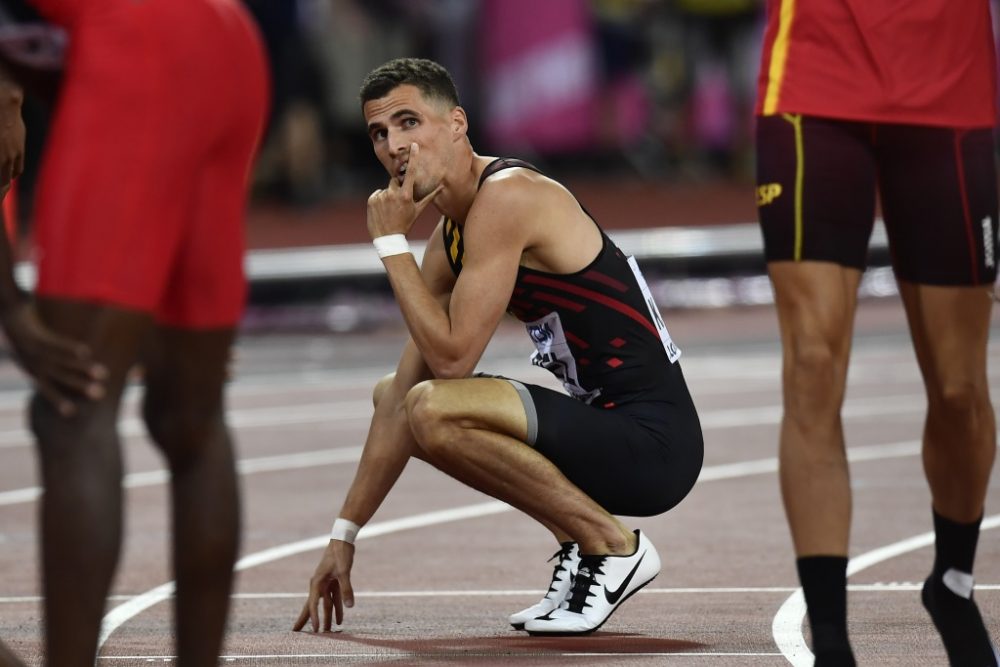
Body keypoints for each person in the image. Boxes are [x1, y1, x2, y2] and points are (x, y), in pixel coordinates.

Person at [294, 57, 703, 637]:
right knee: (400, 395)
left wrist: (390, 244)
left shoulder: (508, 196)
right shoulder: (450, 235)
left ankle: (611, 546)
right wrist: (344, 535)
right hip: (601, 431)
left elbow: (453, 361)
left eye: (409, 122)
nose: (393, 146)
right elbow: (401, 394)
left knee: (435, 407)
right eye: (379, 133)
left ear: (457, 123)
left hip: (655, 443)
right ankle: (587, 545)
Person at [0, 1, 269, 665]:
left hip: (137, 44)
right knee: (189, 415)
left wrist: (10, 306)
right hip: (227, 38)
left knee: (73, 406)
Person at [755, 2, 999, 665]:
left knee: (958, 387)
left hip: (950, 84)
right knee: (811, 361)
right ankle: (831, 638)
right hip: (813, 78)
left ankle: (951, 581)